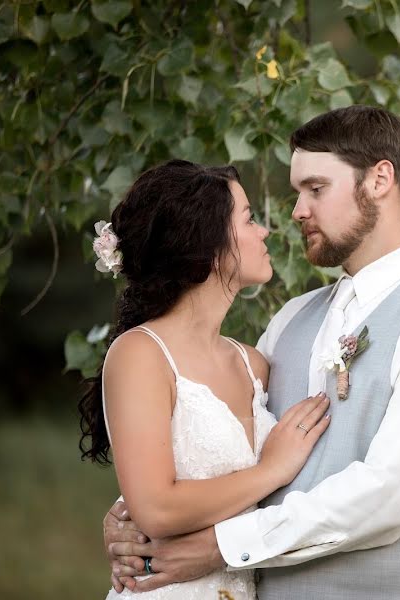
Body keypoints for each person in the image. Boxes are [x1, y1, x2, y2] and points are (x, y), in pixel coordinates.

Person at [104, 106, 400, 600]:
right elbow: (223, 455)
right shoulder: (291, 319)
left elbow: (387, 495)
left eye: (316, 189)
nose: (297, 211)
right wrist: (135, 520)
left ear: (380, 178)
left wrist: (221, 546)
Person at [78, 160, 331, 599]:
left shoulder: (254, 365)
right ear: (207, 244)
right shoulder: (141, 355)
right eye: (249, 219)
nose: (265, 231)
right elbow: (156, 509)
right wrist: (272, 469)